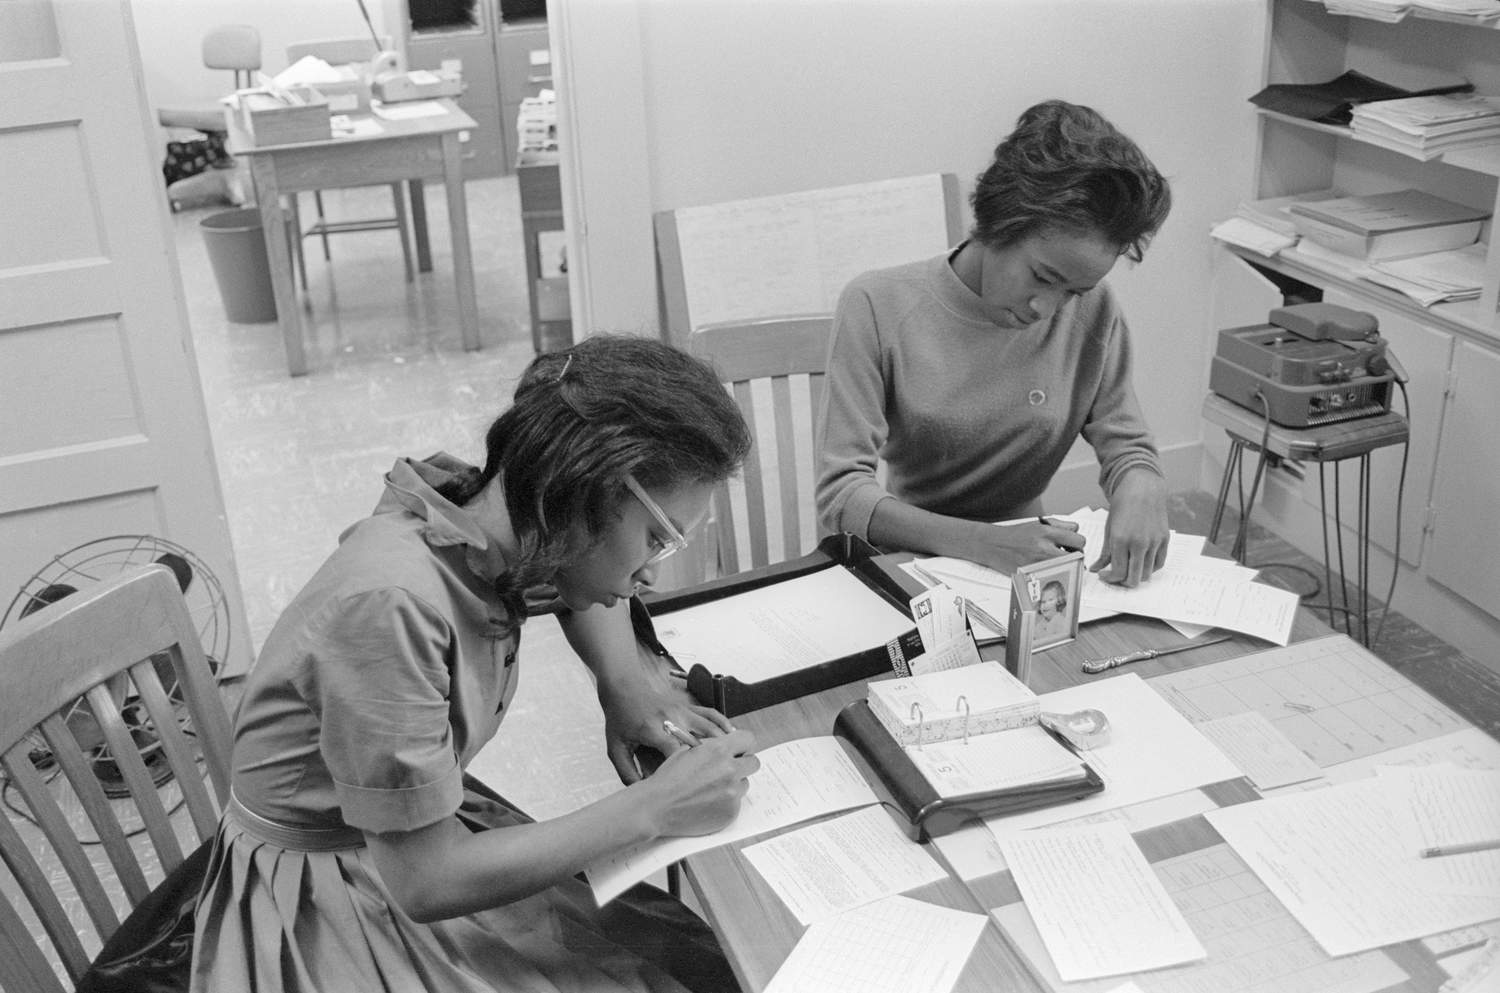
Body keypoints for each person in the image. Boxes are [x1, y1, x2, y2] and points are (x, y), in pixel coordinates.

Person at [191, 335, 758, 993]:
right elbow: (426, 880)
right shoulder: (390, 606)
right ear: (584, 494)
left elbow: (579, 590)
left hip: (396, 844)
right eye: (656, 540)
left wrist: (624, 687)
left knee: (684, 958)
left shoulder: (492, 520)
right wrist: (656, 805)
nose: (645, 578)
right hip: (335, 899)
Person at [817, 99, 1173, 587]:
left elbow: (1126, 443)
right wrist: (985, 544)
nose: (1045, 309)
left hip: (1027, 564)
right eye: (1043, 277)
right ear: (998, 222)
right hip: (908, 564)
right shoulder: (876, 304)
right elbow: (842, 497)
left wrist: (1142, 483)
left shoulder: (1095, 311)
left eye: (1074, 291)